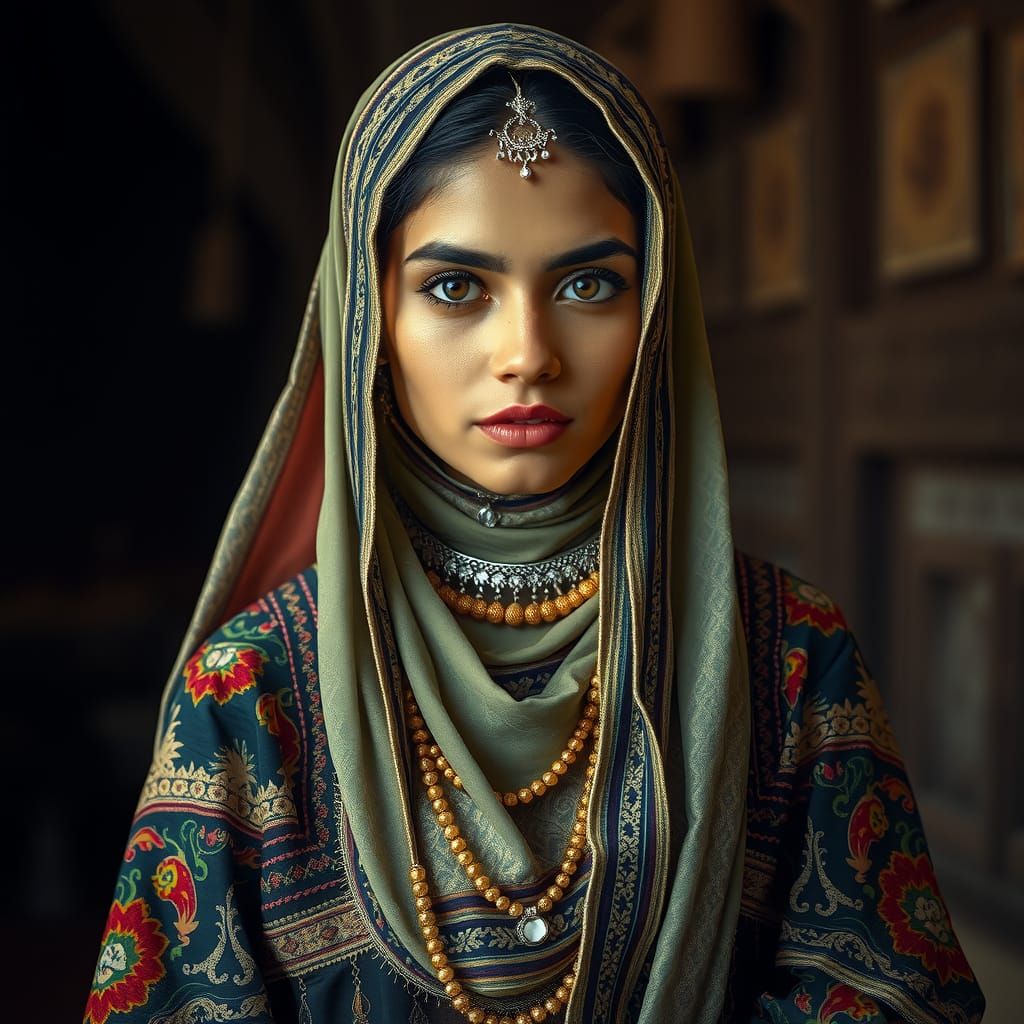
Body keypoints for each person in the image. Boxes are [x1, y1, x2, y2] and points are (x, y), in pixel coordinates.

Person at [85, 24, 984, 1024]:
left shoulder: (789, 658)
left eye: (588, 284)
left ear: (654, 309)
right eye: (455, 287)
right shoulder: (254, 693)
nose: (527, 352)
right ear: (367, 320)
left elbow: (896, 998)